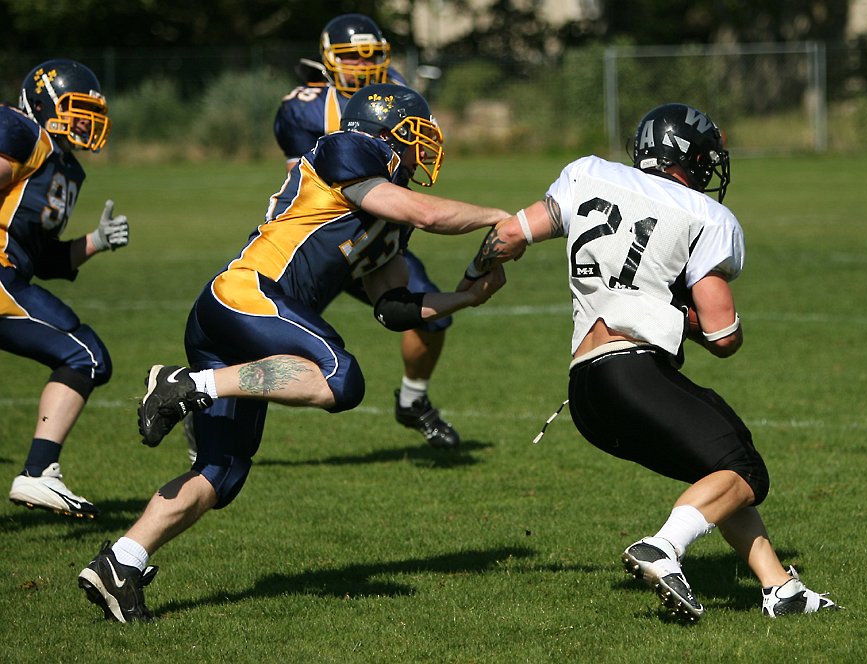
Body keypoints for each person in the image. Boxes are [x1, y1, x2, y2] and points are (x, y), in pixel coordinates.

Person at [77, 83, 508, 622]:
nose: (424, 149)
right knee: (341, 379)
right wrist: (502, 218)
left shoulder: (389, 215)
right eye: (417, 134)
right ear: (388, 131)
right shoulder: (348, 149)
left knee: (220, 473)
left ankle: (122, 562)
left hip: (243, 323)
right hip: (248, 295)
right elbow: (425, 213)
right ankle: (187, 385)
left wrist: (466, 298)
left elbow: (393, 307)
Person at [460, 103, 838, 621]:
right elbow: (723, 335)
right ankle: (664, 548)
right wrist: (679, 313)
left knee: (719, 470)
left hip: (585, 392)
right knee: (745, 469)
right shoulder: (706, 216)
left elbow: (507, 235)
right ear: (691, 158)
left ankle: (781, 589)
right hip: (633, 371)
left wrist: (472, 278)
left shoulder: (588, 174)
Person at [273, 13, 461, 449]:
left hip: (377, 236)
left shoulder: (395, 88)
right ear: (328, 58)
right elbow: (304, 183)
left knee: (431, 315)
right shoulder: (304, 106)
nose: (363, 64)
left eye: (371, 54)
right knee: (276, 341)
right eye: (352, 56)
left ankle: (413, 400)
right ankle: (210, 398)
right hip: (319, 241)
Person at [2, 59, 129, 519]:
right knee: (85, 354)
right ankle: (38, 473)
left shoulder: (61, 166)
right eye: (77, 109)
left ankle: (39, 472)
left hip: (12, 274)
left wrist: (96, 241)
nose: (86, 121)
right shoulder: (23, 132)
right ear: (42, 104)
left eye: (91, 113)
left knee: (86, 356)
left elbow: (44, 259)